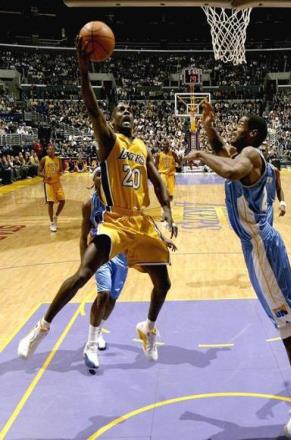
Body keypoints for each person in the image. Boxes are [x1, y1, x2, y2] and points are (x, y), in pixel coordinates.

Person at [18, 36, 178, 363]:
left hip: (141, 223)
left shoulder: (142, 147)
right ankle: (42, 327)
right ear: (112, 120)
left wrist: (167, 209)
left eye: (130, 110)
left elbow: (157, 179)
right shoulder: (109, 140)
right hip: (115, 221)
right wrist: (83, 68)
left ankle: (148, 327)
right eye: (121, 110)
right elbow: (91, 105)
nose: (127, 113)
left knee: (163, 284)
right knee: (82, 275)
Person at [185, 103, 291, 439]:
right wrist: (208, 128)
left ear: (252, 133)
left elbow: (230, 170)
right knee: (289, 312)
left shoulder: (249, 155)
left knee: (284, 322)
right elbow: (223, 152)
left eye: (239, 125)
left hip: (260, 246)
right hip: (264, 242)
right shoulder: (244, 154)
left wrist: (200, 154)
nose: (233, 129)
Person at [80, 167, 129, 369]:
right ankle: (90, 344)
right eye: (98, 174)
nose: (101, 177)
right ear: (93, 180)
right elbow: (82, 236)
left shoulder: (120, 201)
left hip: (120, 255)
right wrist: (83, 265)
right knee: (104, 293)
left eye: (104, 174)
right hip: (99, 252)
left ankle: (98, 330)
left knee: (112, 299)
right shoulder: (89, 204)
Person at [39, 144, 65, 232]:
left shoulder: (58, 159)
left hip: (57, 183)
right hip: (48, 184)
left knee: (63, 201)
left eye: (52, 149)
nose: (50, 151)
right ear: (47, 151)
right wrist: (45, 176)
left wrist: (61, 171)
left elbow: (61, 170)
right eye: (49, 149)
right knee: (51, 203)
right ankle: (52, 223)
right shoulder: (44, 159)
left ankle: (55, 216)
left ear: (54, 151)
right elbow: (38, 172)